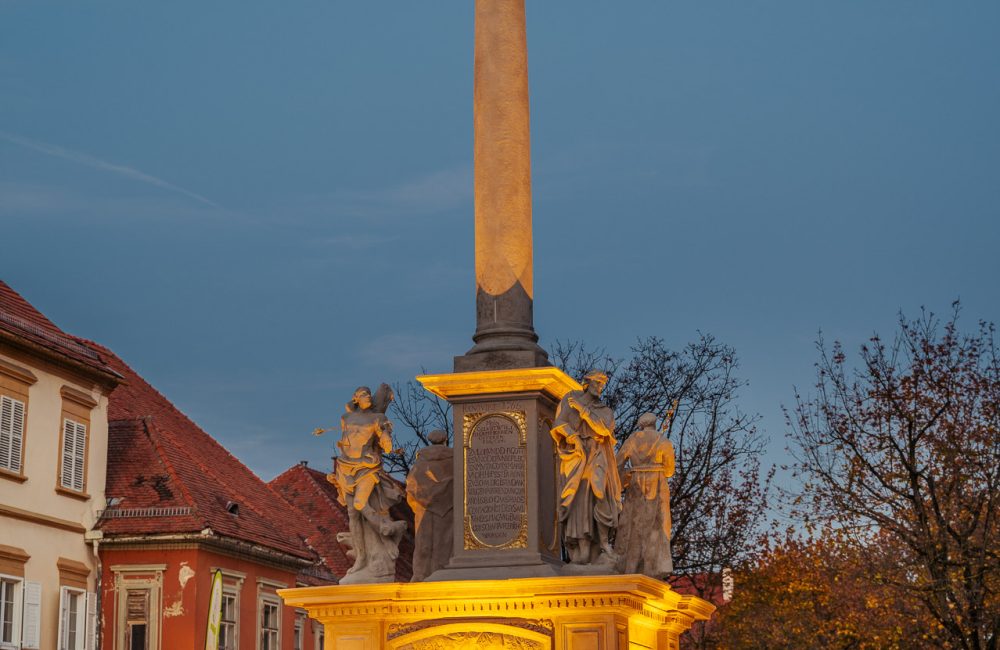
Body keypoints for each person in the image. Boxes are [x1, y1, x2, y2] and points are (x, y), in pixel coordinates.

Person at [325, 384, 406, 583]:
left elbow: (385, 445)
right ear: (355, 398)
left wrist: (386, 436)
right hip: (345, 467)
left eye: (369, 394)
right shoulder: (346, 419)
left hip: (367, 466)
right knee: (353, 513)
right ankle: (361, 558)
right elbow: (346, 440)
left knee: (361, 504)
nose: (367, 397)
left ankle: (386, 528)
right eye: (363, 394)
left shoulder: (378, 419)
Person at [550, 369, 622, 564]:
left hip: (597, 454)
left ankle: (605, 543)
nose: (600, 387)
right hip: (576, 456)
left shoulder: (605, 411)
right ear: (587, 383)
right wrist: (573, 437)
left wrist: (583, 411)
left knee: (600, 492)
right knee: (579, 500)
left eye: (602, 384)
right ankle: (583, 546)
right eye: (597, 383)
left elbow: (603, 429)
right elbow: (559, 423)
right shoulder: (570, 399)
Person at [614, 412, 675, 578]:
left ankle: (630, 567)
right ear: (654, 424)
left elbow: (617, 463)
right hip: (657, 486)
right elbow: (669, 470)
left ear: (641, 425)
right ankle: (652, 569)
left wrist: (624, 480)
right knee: (656, 527)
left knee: (634, 527)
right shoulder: (663, 441)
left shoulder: (632, 440)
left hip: (636, 486)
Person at [406, 429, 454, 581]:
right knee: (446, 540)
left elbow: (411, 488)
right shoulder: (456, 461)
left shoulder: (420, 463)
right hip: (449, 507)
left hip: (424, 509)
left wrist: (419, 505)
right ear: (445, 440)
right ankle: (445, 572)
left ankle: (422, 574)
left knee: (424, 542)